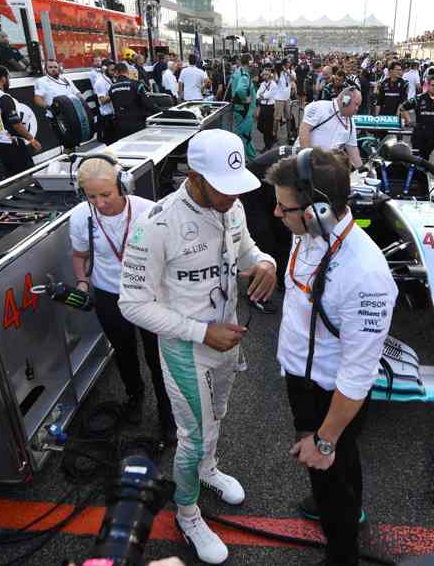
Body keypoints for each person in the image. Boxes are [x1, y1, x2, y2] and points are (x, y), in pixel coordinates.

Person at [119, 129, 276, 565]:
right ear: (195, 177)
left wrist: (266, 262)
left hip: (227, 341)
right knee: (193, 437)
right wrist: (200, 332)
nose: (232, 196)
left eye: (236, 186)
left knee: (218, 417)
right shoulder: (157, 223)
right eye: (223, 188)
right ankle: (187, 514)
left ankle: (208, 470)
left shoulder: (234, 206)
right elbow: (131, 304)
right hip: (188, 348)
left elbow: (246, 251)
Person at [265, 148, 397, 566]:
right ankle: (337, 500)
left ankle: (342, 554)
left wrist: (324, 440)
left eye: (284, 206)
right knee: (338, 468)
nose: (275, 212)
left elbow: (358, 375)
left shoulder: (366, 274)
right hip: (302, 378)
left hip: (332, 393)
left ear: (318, 210)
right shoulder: (308, 231)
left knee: (332, 473)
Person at [69, 154, 174, 440]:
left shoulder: (151, 211)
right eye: (92, 196)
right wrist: (81, 281)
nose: (100, 203)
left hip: (150, 295)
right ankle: (134, 397)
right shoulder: (81, 216)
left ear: (123, 185)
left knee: (158, 357)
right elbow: (80, 255)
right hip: (109, 296)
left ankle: (168, 411)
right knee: (124, 353)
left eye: (106, 194)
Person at [0, 64, 41, 177]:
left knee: (12, 174)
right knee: (28, 173)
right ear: (3, 78)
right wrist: (31, 139)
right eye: (8, 78)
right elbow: (16, 124)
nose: (9, 81)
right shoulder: (4, 97)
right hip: (11, 141)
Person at [297, 89, 364, 168]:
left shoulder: (351, 122)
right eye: (356, 104)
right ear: (345, 101)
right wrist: (307, 160)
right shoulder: (320, 107)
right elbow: (304, 131)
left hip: (325, 167)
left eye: (358, 106)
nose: (357, 109)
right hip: (306, 161)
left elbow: (352, 149)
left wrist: (361, 169)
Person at [398, 74, 434, 161]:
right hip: (419, 132)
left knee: (426, 157)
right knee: (416, 157)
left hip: (432, 133)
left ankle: (423, 173)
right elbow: (403, 107)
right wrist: (409, 121)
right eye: (432, 85)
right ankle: (414, 173)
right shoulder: (419, 98)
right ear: (428, 85)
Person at [109, 61, 157, 139]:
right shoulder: (136, 85)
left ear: (117, 72)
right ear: (127, 72)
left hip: (120, 125)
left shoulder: (112, 88)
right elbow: (147, 103)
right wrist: (160, 112)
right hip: (137, 124)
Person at [33, 59, 83, 124]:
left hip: (74, 114)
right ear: (45, 69)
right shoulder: (41, 81)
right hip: (57, 117)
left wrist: (82, 104)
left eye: (55, 67)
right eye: (50, 67)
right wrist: (49, 107)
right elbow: (37, 99)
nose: (53, 69)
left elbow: (77, 93)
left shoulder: (66, 79)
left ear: (59, 68)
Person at [228, 54, 257, 159]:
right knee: (246, 137)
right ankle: (253, 161)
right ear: (249, 62)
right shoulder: (244, 75)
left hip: (240, 110)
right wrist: (245, 99)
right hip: (245, 111)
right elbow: (240, 90)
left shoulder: (238, 72)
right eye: (252, 62)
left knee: (243, 136)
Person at [92, 59, 116, 144]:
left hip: (115, 115)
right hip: (108, 118)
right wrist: (116, 93)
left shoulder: (113, 79)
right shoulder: (100, 82)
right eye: (112, 70)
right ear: (105, 69)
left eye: (115, 70)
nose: (114, 72)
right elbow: (102, 101)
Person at [256, 68, 278, 150]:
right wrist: (261, 97)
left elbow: (269, 95)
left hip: (269, 107)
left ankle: (267, 145)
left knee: (268, 127)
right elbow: (257, 95)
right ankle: (271, 138)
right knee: (260, 126)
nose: (265, 76)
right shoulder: (262, 84)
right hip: (263, 106)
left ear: (270, 75)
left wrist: (262, 96)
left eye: (266, 74)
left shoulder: (273, 85)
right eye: (264, 74)